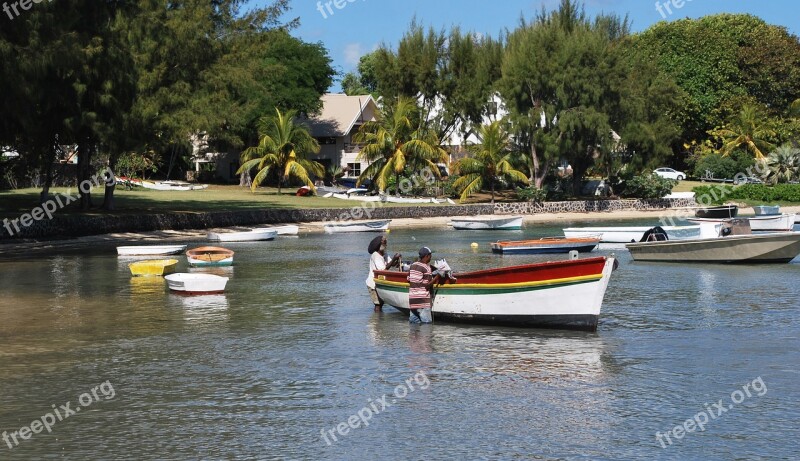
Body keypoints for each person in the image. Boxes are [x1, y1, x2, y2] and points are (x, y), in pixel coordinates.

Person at [366, 235, 401, 312]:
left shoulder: (384, 254)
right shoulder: (376, 255)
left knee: (381, 303)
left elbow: (391, 264)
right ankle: (376, 322)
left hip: (379, 283)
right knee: (378, 304)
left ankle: (379, 321)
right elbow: (383, 270)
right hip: (373, 284)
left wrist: (397, 260)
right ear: (380, 245)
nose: (386, 245)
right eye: (384, 244)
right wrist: (394, 259)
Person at [407, 247, 442, 324]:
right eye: (430, 255)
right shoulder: (426, 267)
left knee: (413, 328)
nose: (431, 257)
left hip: (412, 301)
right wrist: (438, 276)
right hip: (423, 301)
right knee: (426, 327)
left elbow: (408, 279)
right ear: (427, 256)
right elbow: (427, 285)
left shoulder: (412, 265)